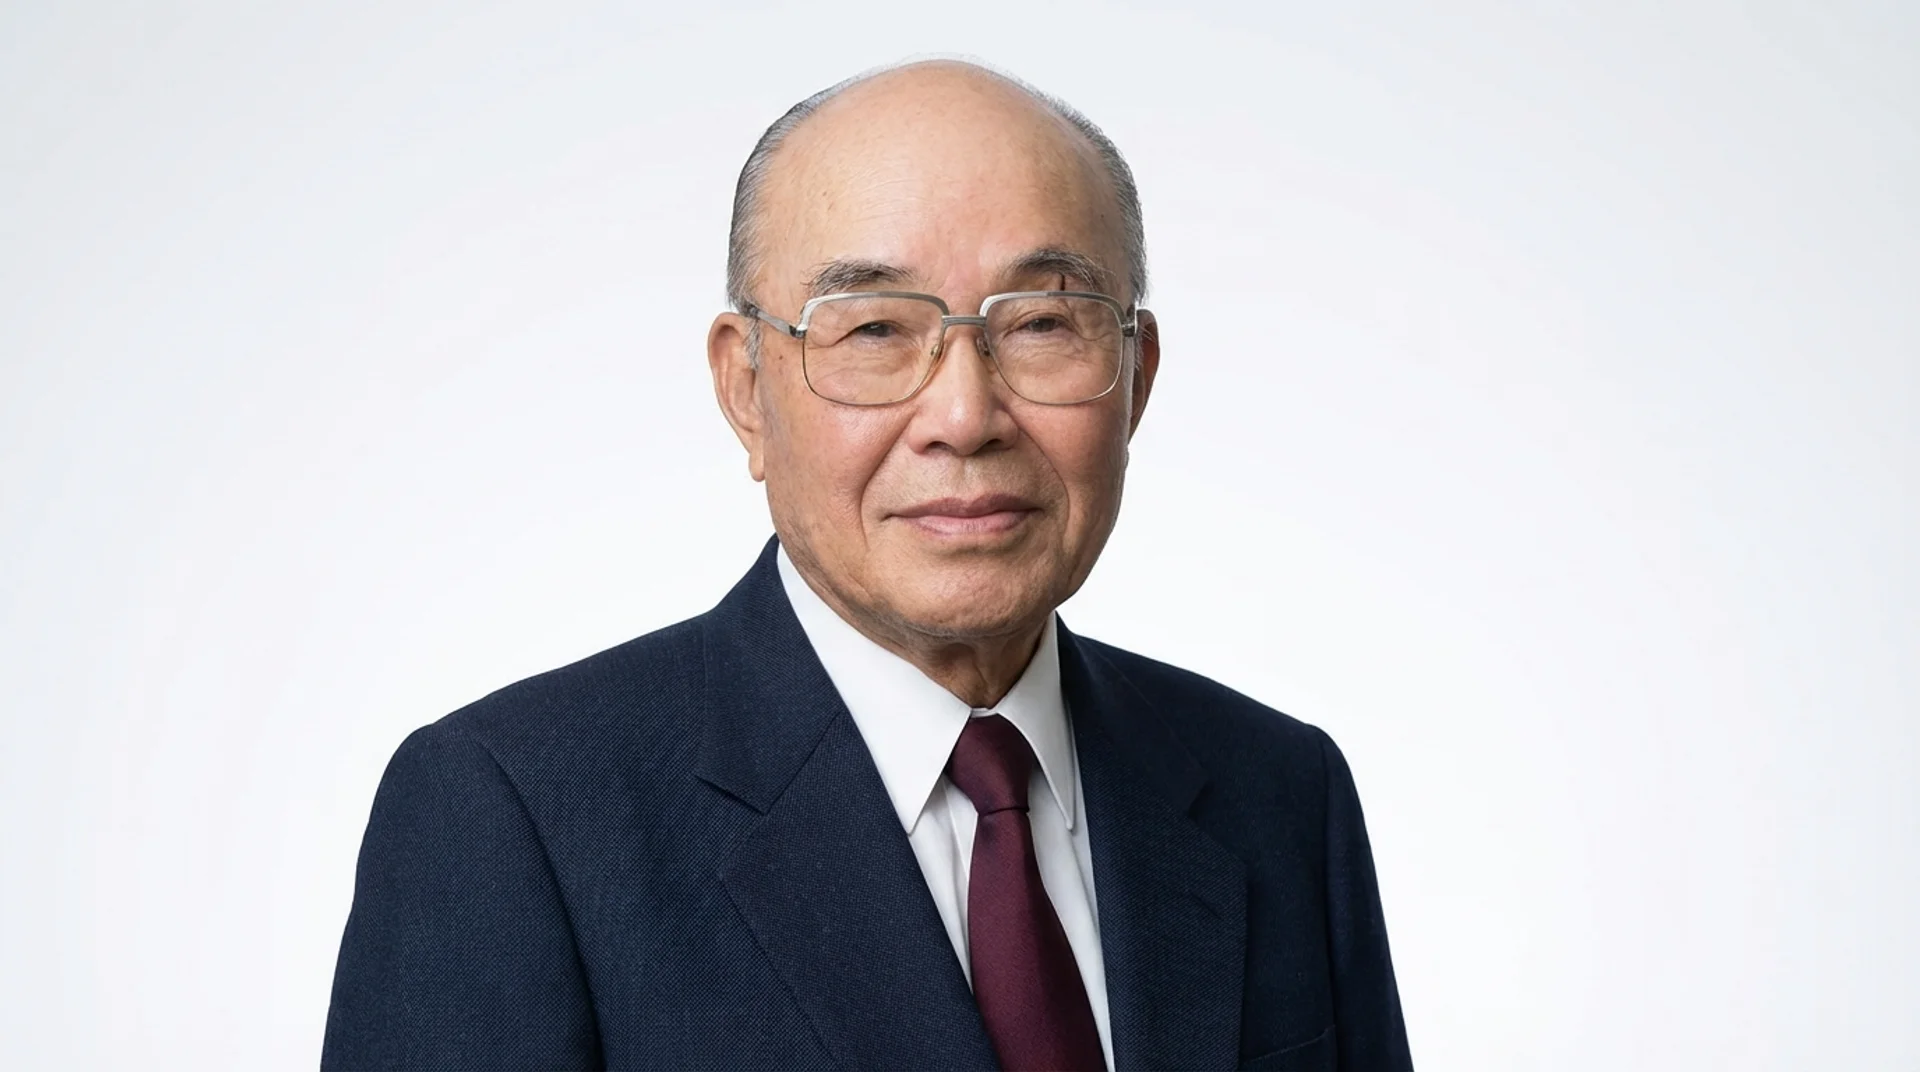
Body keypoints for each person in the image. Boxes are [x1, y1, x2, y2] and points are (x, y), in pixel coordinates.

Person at [322, 59, 1412, 1072]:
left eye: (1042, 322)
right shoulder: (512, 818)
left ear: (1137, 375)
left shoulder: (1280, 793)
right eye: (876, 331)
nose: (965, 415)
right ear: (746, 388)